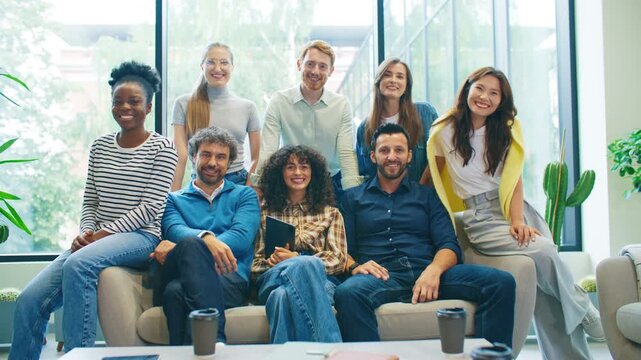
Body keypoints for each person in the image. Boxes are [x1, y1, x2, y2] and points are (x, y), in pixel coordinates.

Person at [426, 66, 604, 359]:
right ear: (468, 88)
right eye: (480, 88)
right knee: (546, 251)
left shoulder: (506, 129)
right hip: (480, 217)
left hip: (515, 208)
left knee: (547, 294)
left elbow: (515, 179)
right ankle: (584, 308)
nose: (485, 97)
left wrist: (517, 220)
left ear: (501, 100)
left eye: (494, 93)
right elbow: (434, 173)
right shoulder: (444, 130)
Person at [10, 61, 177, 359]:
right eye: (118, 101)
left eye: (134, 101)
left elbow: (152, 206)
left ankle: (78, 354)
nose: (125, 107)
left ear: (149, 107)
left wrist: (102, 235)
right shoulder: (100, 146)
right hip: (97, 239)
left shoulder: (163, 148)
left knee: (79, 264)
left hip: (141, 237)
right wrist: (86, 232)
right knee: (28, 301)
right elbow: (91, 200)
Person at [335, 123, 516, 346]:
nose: (392, 156)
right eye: (384, 150)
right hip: (380, 276)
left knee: (501, 282)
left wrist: (434, 270)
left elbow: (449, 244)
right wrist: (355, 266)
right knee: (347, 293)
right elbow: (342, 249)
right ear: (373, 156)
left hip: (428, 271)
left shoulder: (428, 196)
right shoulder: (351, 199)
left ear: (410, 155)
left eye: (399, 150)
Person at [150, 127, 260, 344]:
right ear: (193, 157)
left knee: (175, 293)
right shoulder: (173, 199)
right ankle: (216, 343)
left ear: (229, 163)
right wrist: (206, 239)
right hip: (179, 270)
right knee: (191, 243)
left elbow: (241, 238)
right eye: (206, 155)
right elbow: (174, 231)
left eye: (221, 157)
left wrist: (197, 243)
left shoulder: (244, 195)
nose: (213, 163)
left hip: (230, 277)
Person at [251, 145, 347, 343]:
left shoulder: (331, 213)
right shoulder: (263, 212)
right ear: (280, 172)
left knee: (281, 297)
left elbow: (338, 260)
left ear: (313, 172)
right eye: (290, 167)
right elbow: (255, 265)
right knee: (303, 265)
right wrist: (279, 261)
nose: (297, 172)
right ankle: (330, 349)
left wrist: (298, 260)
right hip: (272, 277)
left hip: (323, 281)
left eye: (304, 167)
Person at [254, 40, 360, 198]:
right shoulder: (279, 101)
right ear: (299, 64)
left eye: (323, 66)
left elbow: (346, 154)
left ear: (331, 70)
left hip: (330, 181)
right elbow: (268, 150)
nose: (315, 71)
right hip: (292, 180)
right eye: (310, 64)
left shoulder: (342, 105)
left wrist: (354, 195)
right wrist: (259, 186)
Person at [171, 42, 261, 190]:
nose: (218, 68)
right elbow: (180, 156)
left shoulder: (248, 107)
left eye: (224, 62)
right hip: (201, 182)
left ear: (232, 67)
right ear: (202, 66)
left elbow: (257, 157)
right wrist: (173, 197)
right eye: (211, 62)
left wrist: (249, 189)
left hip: (238, 182)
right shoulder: (183, 104)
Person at [356, 58, 438, 184]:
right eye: (387, 75)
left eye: (400, 77)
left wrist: (420, 192)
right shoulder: (365, 127)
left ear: (406, 86)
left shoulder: (425, 113)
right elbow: (365, 173)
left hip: (423, 198)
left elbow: (438, 156)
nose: (393, 80)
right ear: (378, 82)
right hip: (382, 201)